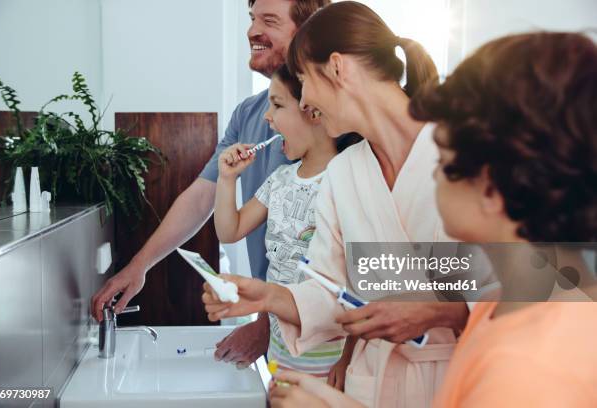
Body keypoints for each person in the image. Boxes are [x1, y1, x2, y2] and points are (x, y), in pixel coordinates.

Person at [203, 2, 471, 407]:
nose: (306, 100)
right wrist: (267, 296)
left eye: (305, 81)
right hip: (370, 387)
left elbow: (542, 281)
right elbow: (331, 290)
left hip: (457, 383)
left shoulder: (467, 150)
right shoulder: (346, 172)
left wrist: (441, 312)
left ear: (337, 68)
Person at [90, 0, 331, 368]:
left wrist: (264, 323)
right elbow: (204, 196)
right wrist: (140, 266)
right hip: (284, 331)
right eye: (251, 19)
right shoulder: (248, 114)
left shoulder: (338, 137)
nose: (252, 31)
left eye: (268, 20)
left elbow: (349, 270)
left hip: (319, 339)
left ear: (308, 33)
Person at [407, 31, 597, 407]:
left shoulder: (530, 371)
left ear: (492, 188)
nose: (433, 177)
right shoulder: (510, 304)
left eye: (442, 163)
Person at [215, 64, 360, 376]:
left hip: (329, 357)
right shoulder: (280, 178)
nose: (268, 117)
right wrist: (227, 179)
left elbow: (362, 283)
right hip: (280, 351)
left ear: (314, 111)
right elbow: (230, 230)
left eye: (277, 105)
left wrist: (347, 358)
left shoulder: (347, 179)